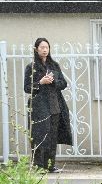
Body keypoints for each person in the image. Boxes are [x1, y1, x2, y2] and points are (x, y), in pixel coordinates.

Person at [23, 38, 73, 172]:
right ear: (36, 49)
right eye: (42, 47)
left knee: (52, 137)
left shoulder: (54, 65)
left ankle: (50, 166)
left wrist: (53, 81)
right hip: (38, 107)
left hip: (54, 106)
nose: (45, 50)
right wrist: (41, 82)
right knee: (39, 137)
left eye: (47, 47)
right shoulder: (31, 67)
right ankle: (38, 167)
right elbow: (27, 88)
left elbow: (63, 84)